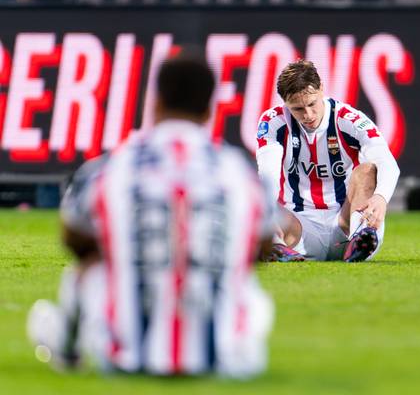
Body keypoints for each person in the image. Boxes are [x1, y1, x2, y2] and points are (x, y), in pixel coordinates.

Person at [27, 52, 276, 377]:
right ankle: (223, 336)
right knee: (246, 282)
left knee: (83, 270)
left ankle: (70, 350)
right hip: (233, 362)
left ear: (155, 102)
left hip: (124, 357)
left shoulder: (111, 167)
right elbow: (263, 246)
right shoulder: (239, 172)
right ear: (208, 110)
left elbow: (74, 238)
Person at [256, 59, 400, 262]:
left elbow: (387, 162)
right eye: (297, 109)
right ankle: (278, 246)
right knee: (261, 194)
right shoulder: (273, 122)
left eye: (312, 104)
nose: (308, 115)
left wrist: (381, 198)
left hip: (345, 222)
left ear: (321, 89)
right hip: (299, 228)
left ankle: (361, 236)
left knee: (367, 170)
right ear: (284, 102)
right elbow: (267, 173)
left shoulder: (349, 119)